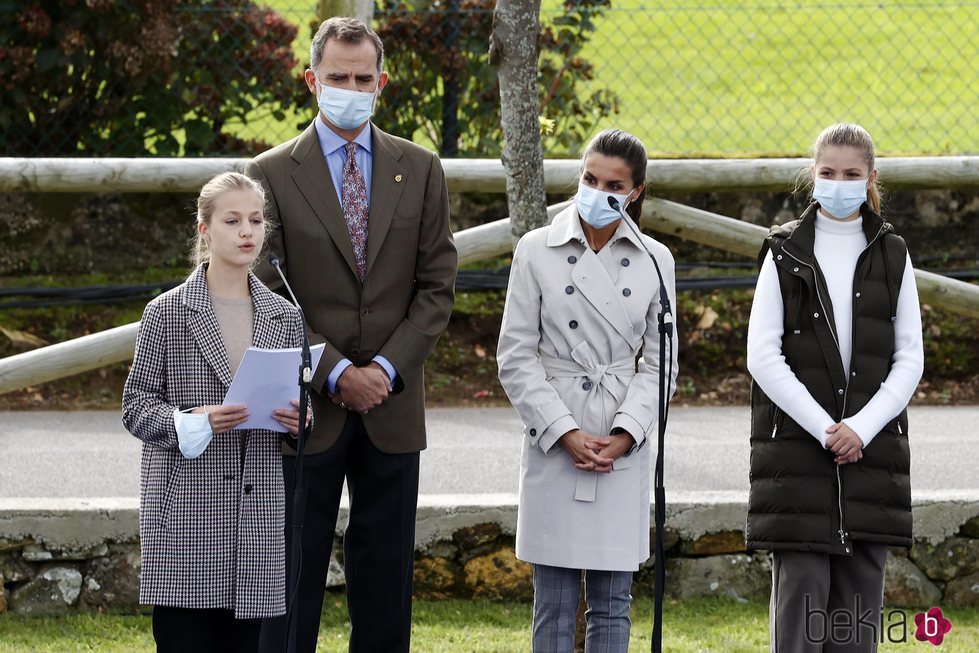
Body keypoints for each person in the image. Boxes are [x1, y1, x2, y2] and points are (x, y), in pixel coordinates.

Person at [245, 16, 457, 653]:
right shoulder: (271, 172)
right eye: (338, 76)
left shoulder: (420, 169)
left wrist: (384, 371)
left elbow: (437, 286)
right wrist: (334, 371)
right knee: (290, 579)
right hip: (303, 407)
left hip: (393, 407)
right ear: (312, 81)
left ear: (382, 83)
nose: (351, 87)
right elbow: (264, 292)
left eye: (363, 78)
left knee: (385, 580)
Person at [497, 128, 678, 652]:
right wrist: (563, 431)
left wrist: (625, 434)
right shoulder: (536, 249)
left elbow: (662, 362)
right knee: (552, 601)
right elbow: (515, 354)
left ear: (636, 192)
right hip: (555, 434)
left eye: (614, 185)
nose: (598, 193)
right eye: (589, 178)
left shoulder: (656, 260)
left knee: (612, 601)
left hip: (621, 435)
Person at [746, 123, 924, 652]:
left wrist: (860, 430)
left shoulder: (893, 253)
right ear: (812, 175)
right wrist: (827, 430)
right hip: (798, 459)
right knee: (800, 621)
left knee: (855, 626)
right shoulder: (782, 251)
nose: (838, 183)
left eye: (851, 174)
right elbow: (763, 355)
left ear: (871, 177)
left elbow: (908, 358)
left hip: (869, 461)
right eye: (827, 173)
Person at [122, 172, 308, 653]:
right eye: (233, 220)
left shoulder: (284, 316)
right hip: (186, 519)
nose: (248, 231)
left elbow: (295, 409)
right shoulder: (166, 312)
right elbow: (136, 406)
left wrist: (300, 421)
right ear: (205, 230)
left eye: (256, 219)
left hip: (255, 521)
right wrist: (193, 421)